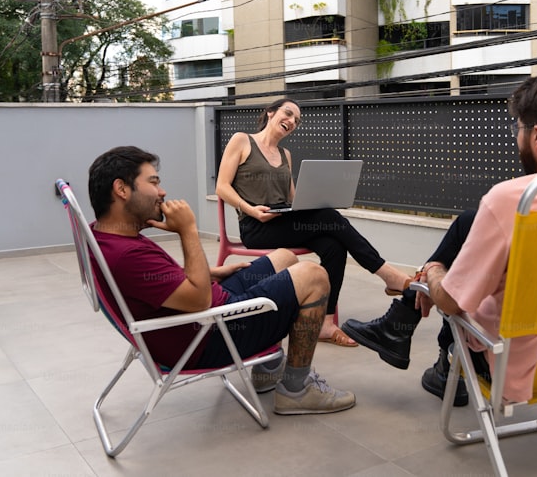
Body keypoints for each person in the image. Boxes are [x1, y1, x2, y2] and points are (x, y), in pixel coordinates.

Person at [344, 70, 537, 406]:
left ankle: (415, 331)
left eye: (519, 129)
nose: (518, 138)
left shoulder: (513, 201)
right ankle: (407, 331)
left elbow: (452, 303)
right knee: (471, 227)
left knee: (448, 283)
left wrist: (434, 272)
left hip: (514, 363)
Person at [88, 146, 355, 415]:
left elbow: (149, 283)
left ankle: (268, 372)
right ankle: (296, 392)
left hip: (205, 316)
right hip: (207, 337)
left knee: (283, 257)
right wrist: (188, 230)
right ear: (121, 189)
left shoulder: (104, 236)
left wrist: (210, 273)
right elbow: (201, 300)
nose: (162, 192)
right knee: (314, 276)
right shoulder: (127, 255)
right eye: (154, 182)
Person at [216, 98, 412, 347]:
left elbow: (293, 199)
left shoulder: (286, 155)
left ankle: (325, 323)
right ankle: (387, 274)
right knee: (328, 217)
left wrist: (313, 200)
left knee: (333, 245)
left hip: (282, 221)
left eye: (296, 121)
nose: (292, 122)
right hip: (256, 226)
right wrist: (251, 210)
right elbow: (222, 187)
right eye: (288, 114)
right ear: (270, 113)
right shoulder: (242, 140)